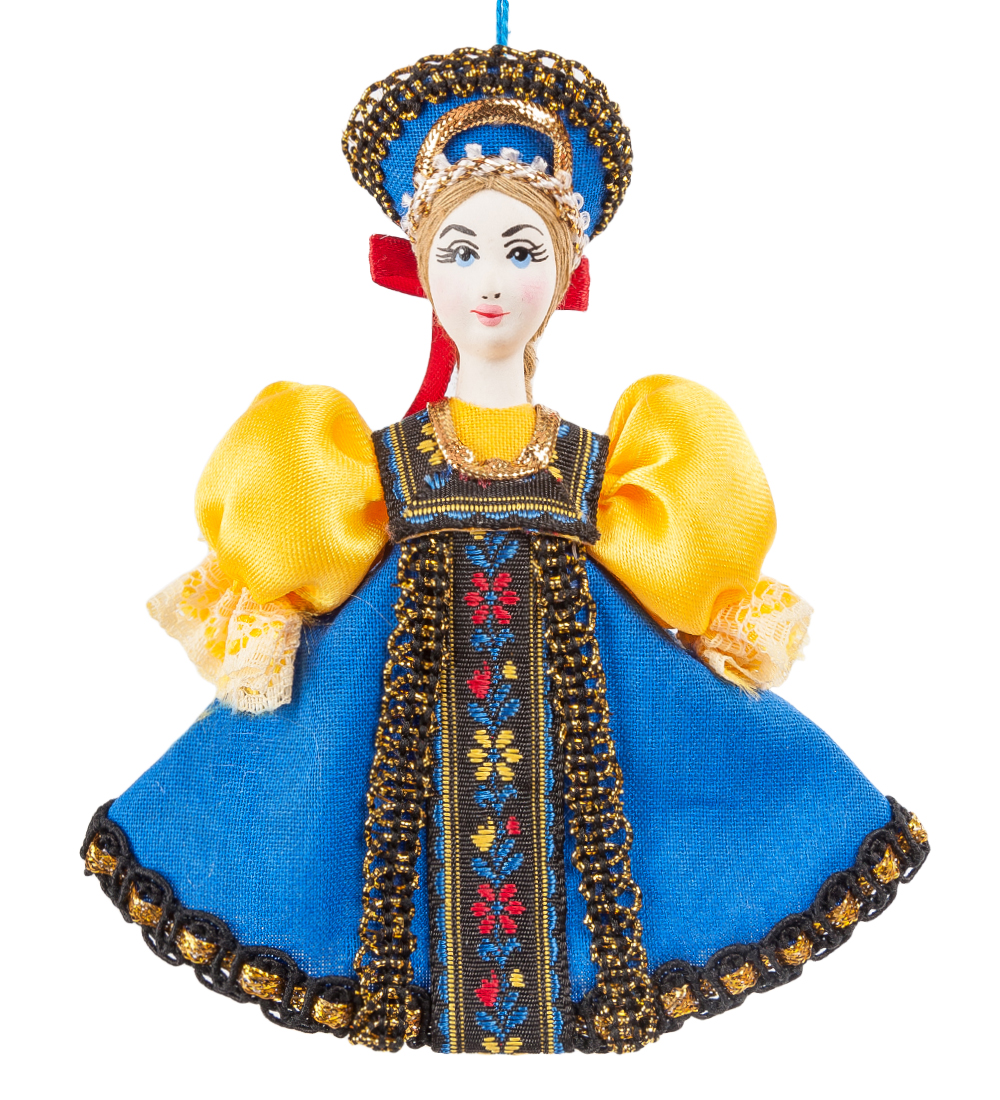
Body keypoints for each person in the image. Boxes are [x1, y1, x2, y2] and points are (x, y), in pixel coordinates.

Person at [82, 43, 928, 1055]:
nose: (489, 282)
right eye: (460, 251)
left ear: (564, 276)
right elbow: (295, 575)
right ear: (419, 268)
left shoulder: (622, 471)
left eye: (522, 252)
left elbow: (686, 586)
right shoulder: (352, 470)